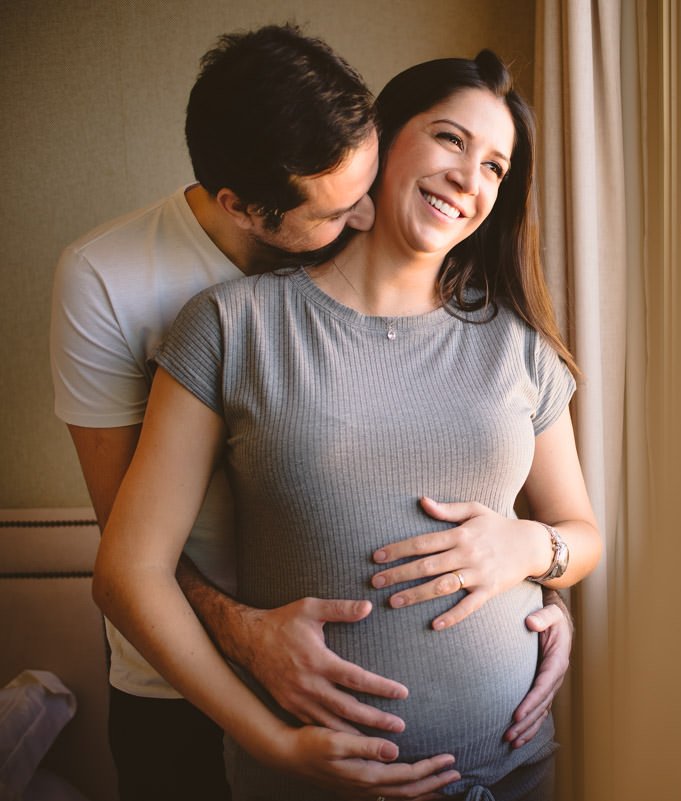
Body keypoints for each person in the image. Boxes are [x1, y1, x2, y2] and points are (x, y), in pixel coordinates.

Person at [51, 26, 571, 801]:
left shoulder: (513, 341)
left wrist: (540, 563)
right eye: (450, 140)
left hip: (515, 769)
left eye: (495, 165)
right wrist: (276, 736)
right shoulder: (199, 310)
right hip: (228, 713)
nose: (360, 213)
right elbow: (127, 562)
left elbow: (570, 526)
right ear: (250, 209)